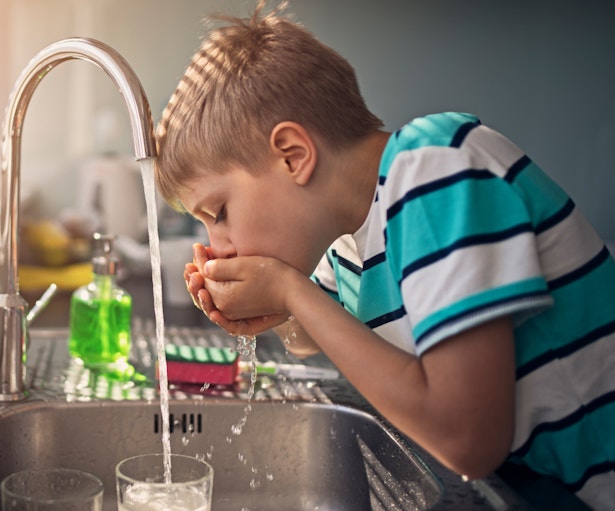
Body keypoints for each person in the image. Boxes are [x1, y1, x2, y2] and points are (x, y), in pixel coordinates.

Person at [154, 2, 615, 509]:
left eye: (218, 211)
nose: (217, 246)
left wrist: (288, 290)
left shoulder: (434, 169)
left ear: (293, 155)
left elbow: (469, 441)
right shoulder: (350, 234)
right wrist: (269, 309)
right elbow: (311, 333)